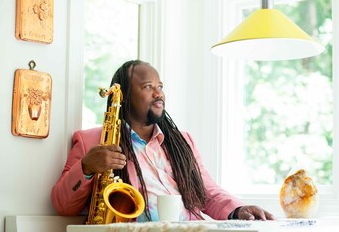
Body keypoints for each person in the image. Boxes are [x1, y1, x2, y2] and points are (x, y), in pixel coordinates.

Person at [51, 60, 275, 222]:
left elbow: (207, 192)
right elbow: (62, 205)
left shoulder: (182, 142)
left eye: (160, 87)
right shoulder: (91, 141)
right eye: (148, 87)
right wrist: (87, 167)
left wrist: (238, 209)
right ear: (125, 96)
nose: (158, 94)